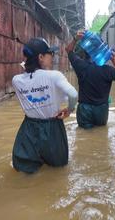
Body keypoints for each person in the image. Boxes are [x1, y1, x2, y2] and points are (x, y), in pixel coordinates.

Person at [12, 37, 78, 174]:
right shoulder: (54, 76)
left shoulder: (16, 80)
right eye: (50, 54)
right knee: (58, 170)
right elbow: (73, 94)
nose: (52, 57)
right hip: (52, 129)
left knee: (25, 171)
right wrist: (69, 110)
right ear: (40, 57)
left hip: (29, 129)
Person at [66, 31, 115, 129]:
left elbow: (68, 50)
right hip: (101, 110)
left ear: (85, 51)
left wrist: (75, 39)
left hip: (84, 109)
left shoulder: (80, 65)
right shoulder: (107, 70)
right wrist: (114, 59)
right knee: (101, 135)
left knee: (84, 136)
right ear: (101, 50)